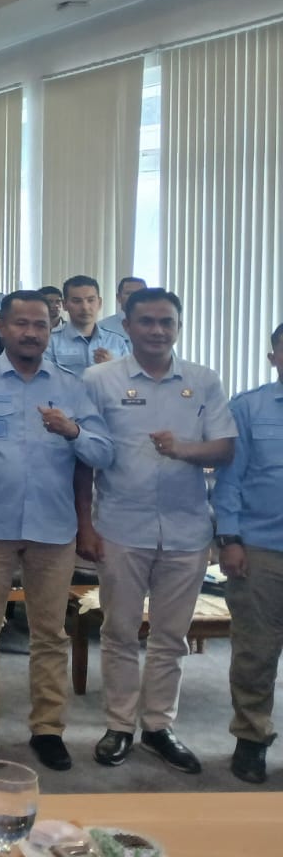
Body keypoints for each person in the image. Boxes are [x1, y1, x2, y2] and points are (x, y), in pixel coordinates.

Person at [0, 291, 114, 772]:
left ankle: (48, 728)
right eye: (21, 324)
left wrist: (73, 432)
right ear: (1, 327)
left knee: (51, 633)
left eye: (40, 325)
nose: (31, 333)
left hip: (52, 527)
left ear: (50, 329)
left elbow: (103, 454)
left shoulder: (72, 386)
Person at [80, 287, 236, 774]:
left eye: (167, 322)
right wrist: (85, 525)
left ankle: (158, 726)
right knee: (120, 632)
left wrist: (183, 449)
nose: (157, 330)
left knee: (171, 637)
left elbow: (224, 448)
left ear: (178, 327)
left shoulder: (203, 380)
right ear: (126, 326)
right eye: (146, 321)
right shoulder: (99, 379)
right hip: (120, 526)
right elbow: (84, 457)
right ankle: (119, 725)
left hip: (187, 529)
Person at [214, 322, 283, 784]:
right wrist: (230, 538)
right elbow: (229, 479)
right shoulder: (248, 407)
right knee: (256, 652)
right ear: (273, 357)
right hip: (261, 549)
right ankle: (252, 738)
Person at [46, 274, 131, 375]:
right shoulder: (51, 341)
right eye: (77, 301)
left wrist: (112, 367)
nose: (85, 307)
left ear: (99, 303)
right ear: (64, 305)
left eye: (90, 300)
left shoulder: (117, 341)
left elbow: (128, 379)